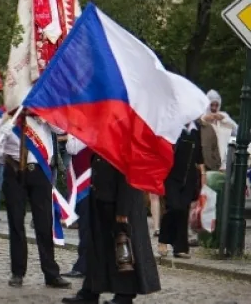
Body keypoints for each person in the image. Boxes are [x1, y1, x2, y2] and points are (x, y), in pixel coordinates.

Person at [62, 151, 161, 304]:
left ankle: (124, 296)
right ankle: (90, 292)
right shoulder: (105, 139)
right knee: (97, 250)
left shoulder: (125, 142)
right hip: (101, 200)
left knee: (123, 250)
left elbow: (128, 178)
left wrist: (122, 210)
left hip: (119, 205)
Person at [0, 112, 71, 290]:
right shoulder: (8, 110)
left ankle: (51, 273)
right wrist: (6, 122)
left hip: (39, 169)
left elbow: (62, 128)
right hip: (14, 168)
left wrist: (45, 116)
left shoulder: (43, 103)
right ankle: (17, 272)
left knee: (44, 222)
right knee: (16, 223)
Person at [159, 121, 205, 259]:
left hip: (189, 177)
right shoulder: (172, 126)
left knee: (183, 210)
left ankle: (180, 248)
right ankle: (163, 240)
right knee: (173, 207)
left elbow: (199, 155)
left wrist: (203, 175)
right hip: (171, 176)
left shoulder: (196, 130)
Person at [61, 135, 94, 279]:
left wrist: (71, 132)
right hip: (82, 182)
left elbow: (72, 148)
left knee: (87, 228)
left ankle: (83, 266)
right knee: (85, 227)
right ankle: (86, 264)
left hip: (86, 183)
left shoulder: (88, 130)